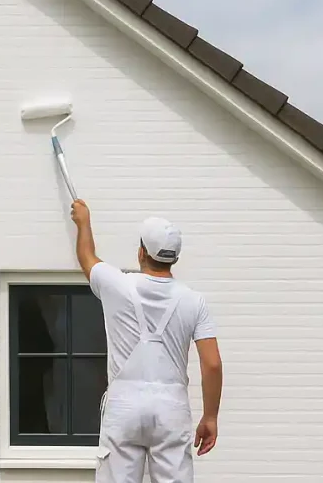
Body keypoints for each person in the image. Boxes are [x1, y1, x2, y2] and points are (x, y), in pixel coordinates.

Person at [70, 199, 223, 483]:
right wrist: (210, 417)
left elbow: (87, 257)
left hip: (124, 406)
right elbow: (212, 364)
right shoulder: (193, 301)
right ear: (174, 258)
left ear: (142, 252)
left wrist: (84, 222)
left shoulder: (118, 284)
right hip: (171, 407)